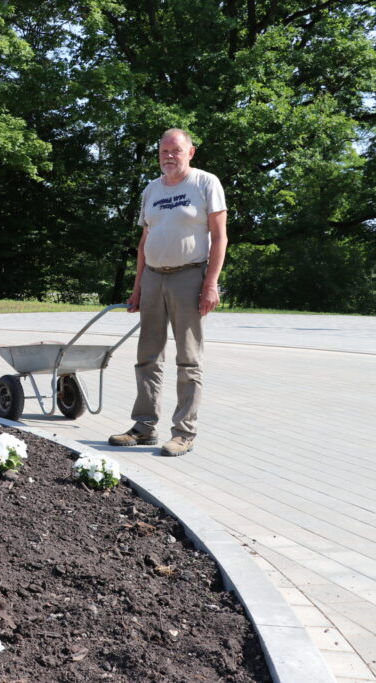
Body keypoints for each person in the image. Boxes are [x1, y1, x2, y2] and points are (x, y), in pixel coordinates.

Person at [109, 128, 228, 456]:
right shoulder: (151, 189)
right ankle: (144, 426)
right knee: (147, 357)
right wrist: (137, 288)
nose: (168, 156)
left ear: (190, 153)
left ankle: (184, 433)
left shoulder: (206, 183)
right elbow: (145, 242)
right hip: (153, 280)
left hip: (189, 277)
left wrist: (210, 284)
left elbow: (220, 238)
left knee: (188, 359)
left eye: (175, 151)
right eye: (163, 151)